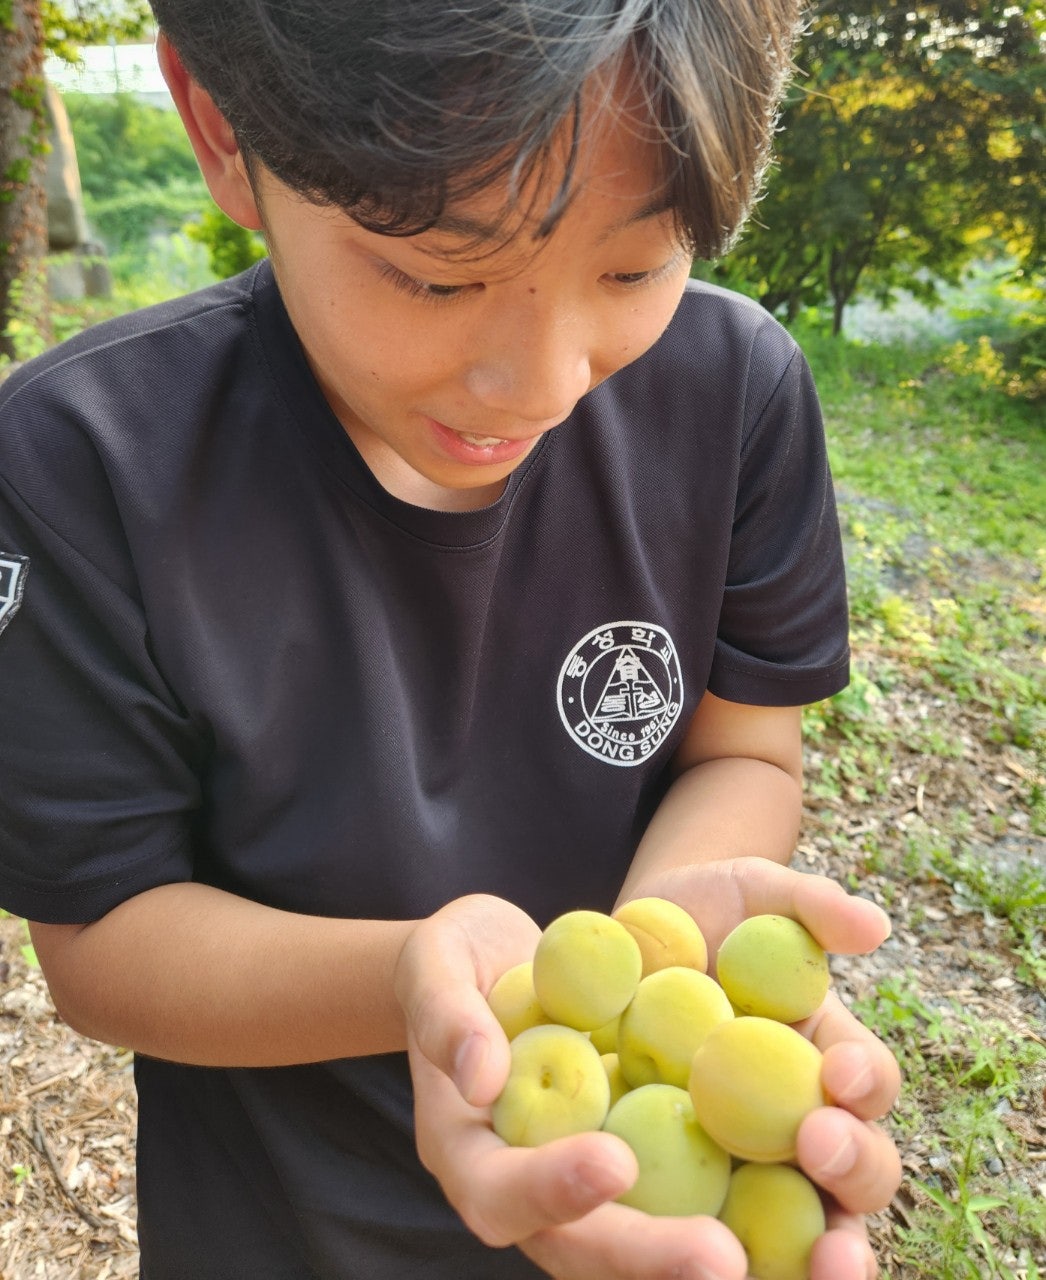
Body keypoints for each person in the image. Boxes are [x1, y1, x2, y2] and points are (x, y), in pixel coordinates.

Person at [0, 1, 903, 1276]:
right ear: (218, 122)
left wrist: (639, 967)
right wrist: (423, 980)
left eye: (634, 267)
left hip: (640, 1195)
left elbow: (741, 755)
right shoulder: (80, 463)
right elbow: (104, 937)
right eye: (435, 272)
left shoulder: (733, 395)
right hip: (277, 1230)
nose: (538, 383)